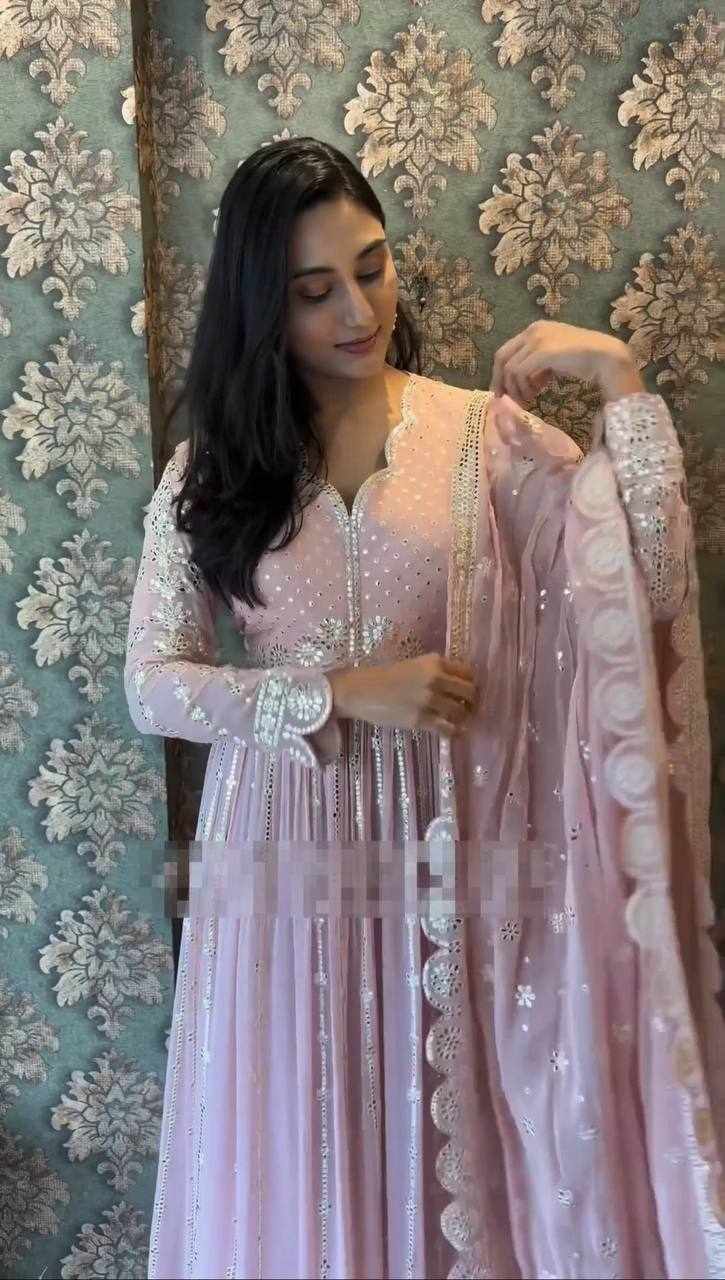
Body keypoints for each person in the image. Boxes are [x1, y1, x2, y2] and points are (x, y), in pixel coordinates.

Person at [124, 137, 725, 1280]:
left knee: (445, 1149)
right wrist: (335, 692)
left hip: (458, 851)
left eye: (371, 267)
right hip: (279, 866)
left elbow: (641, 593)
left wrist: (619, 384)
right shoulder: (212, 473)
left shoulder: (481, 441)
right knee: (300, 1148)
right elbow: (154, 681)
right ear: (260, 305)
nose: (357, 310)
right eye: (313, 290)